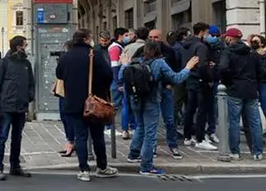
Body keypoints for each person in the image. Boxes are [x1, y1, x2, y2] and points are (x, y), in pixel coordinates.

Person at [120, 41, 198, 175]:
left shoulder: (135, 61)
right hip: (151, 100)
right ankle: (146, 166)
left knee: (140, 126)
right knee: (150, 133)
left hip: (135, 100)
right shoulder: (159, 63)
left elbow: (121, 77)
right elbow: (176, 78)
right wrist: (188, 68)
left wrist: (124, 65)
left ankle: (133, 155)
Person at [56, 29, 118, 182]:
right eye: (90, 38)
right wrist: (99, 89)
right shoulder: (93, 54)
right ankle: (102, 167)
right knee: (97, 136)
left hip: (73, 103)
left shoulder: (65, 57)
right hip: (93, 102)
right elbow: (108, 75)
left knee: (80, 136)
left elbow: (59, 75)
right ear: (85, 39)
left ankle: (84, 170)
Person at [0, 35, 35, 180]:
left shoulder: (26, 64)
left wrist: (29, 97)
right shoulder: (3, 64)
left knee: (17, 138)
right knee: (2, 137)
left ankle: (15, 166)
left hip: (20, 107)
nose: (26, 47)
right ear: (18, 47)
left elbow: (31, 84)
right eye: (25, 45)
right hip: (5, 107)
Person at [218, 28, 265, 160]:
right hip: (251, 89)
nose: (225, 39)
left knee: (234, 122)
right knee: (254, 122)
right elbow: (261, 71)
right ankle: (257, 152)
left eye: (227, 37)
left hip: (235, 89)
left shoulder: (228, 52)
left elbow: (222, 68)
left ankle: (235, 152)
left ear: (231, 39)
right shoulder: (252, 52)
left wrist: (227, 81)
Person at [180, 22, 217, 150]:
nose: (208, 35)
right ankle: (200, 138)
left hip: (189, 79)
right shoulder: (201, 46)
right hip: (201, 81)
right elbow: (201, 65)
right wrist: (209, 78)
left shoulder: (185, 45)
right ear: (201, 32)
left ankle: (187, 136)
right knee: (202, 110)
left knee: (190, 109)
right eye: (207, 33)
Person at [147, 29, 183, 159]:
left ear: (161, 38)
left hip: (165, 88)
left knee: (169, 119)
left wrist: (170, 84)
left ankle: (173, 145)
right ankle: (152, 147)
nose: (152, 39)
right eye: (150, 37)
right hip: (151, 90)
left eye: (155, 37)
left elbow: (175, 68)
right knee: (153, 121)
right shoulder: (144, 50)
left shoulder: (169, 51)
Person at [107, 28, 133, 139]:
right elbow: (114, 66)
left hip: (117, 80)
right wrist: (118, 82)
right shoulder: (115, 48)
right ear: (120, 36)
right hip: (116, 80)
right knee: (115, 105)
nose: (128, 37)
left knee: (121, 105)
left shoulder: (119, 47)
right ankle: (109, 127)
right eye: (126, 35)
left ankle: (122, 127)